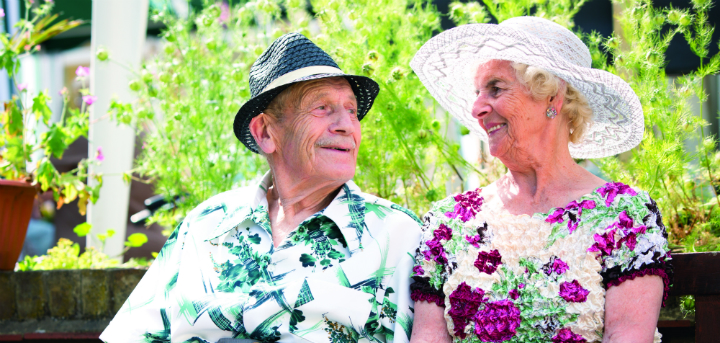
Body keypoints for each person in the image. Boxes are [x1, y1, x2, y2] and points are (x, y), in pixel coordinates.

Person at [101, 33, 422, 343]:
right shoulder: (205, 224)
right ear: (265, 132)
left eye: (351, 110)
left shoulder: (395, 235)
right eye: (322, 107)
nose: (346, 125)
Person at [407, 17, 672, 343]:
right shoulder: (449, 222)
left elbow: (628, 336)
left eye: (495, 88)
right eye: (477, 92)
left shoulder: (623, 215)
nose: (476, 107)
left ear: (553, 97)